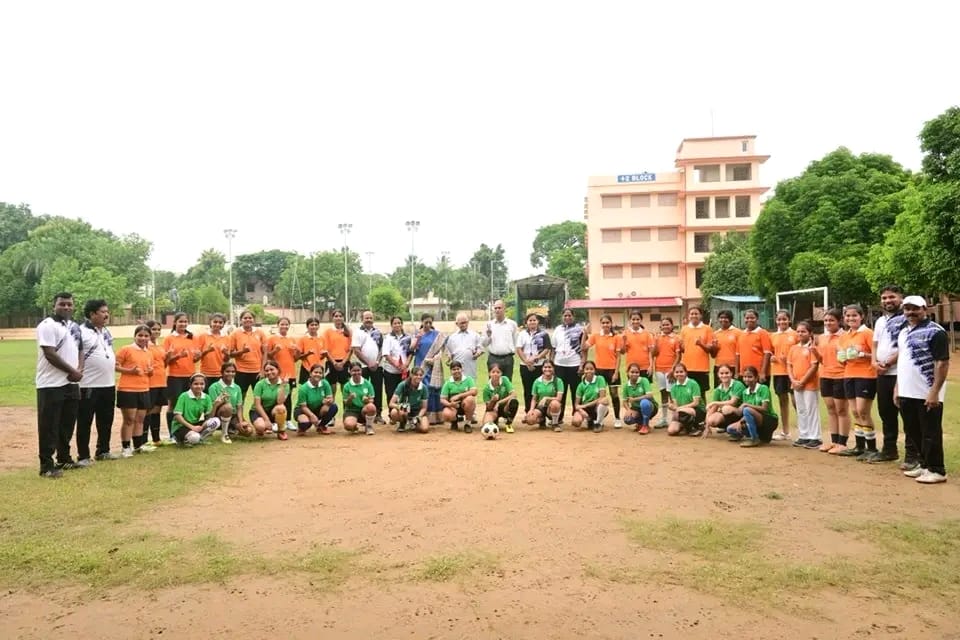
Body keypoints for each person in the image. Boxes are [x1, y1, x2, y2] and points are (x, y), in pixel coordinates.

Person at [896, 296, 949, 484]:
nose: (910, 312)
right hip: (907, 391)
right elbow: (903, 362)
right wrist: (897, 388)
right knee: (913, 430)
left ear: (925, 309)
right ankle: (924, 465)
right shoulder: (903, 332)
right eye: (907, 309)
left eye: (915, 309)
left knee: (930, 431)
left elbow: (942, 363)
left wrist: (935, 391)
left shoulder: (936, 332)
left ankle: (937, 469)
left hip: (927, 391)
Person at [36, 292, 84, 478]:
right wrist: (72, 371)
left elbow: (81, 350)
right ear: (53, 306)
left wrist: (79, 369)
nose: (66, 307)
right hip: (50, 384)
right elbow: (50, 353)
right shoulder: (47, 326)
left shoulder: (74, 326)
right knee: (49, 425)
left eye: (69, 304)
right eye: (62, 304)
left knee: (67, 423)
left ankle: (64, 458)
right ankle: (46, 465)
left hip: (70, 384)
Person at [76, 299, 118, 463]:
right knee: (85, 422)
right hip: (88, 385)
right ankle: (83, 456)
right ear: (92, 314)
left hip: (108, 384)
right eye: (102, 312)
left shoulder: (106, 331)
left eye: (107, 311)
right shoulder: (80, 332)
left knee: (106, 420)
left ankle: (103, 451)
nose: (106, 314)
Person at [871, 285, 908, 464]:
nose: (887, 301)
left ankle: (913, 453)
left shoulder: (906, 319)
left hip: (900, 373)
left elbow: (906, 346)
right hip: (882, 374)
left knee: (906, 414)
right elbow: (875, 345)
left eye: (892, 297)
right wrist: (874, 362)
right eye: (884, 298)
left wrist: (889, 362)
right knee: (886, 413)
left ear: (901, 298)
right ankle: (889, 449)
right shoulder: (880, 321)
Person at [838, 304, 877, 459]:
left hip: (866, 375)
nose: (851, 318)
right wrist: (842, 358)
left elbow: (875, 355)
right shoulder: (844, 336)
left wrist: (862, 354)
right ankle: (859, 446)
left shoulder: (868, 333)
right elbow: (843, 357)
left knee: (863, 411)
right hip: (849, 374)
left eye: (854, 315)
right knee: (854, 411)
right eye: (848, 316)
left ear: (862, 316)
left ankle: (872, 447)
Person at [115, 325, 155, 457]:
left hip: (144, 389)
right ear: (135, 336)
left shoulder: (149, 353)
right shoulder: (126, 349)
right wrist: (130, 372)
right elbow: (115, 366)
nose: (143, 338)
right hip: (127, 389)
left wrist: (150, 372)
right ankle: (126, 447)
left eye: (146, 336)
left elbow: (149, 371)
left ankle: (138, 446)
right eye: (140, 335)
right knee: (129, 419)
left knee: (140, 419)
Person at [163, 312, 201, 443]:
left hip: (190, 375)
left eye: (185, 322)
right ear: (175, 323)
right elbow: (166, 361)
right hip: (174, 376)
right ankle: (172, 434)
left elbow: (194, 359)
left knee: (187, 404)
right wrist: (179, 356)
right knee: (173, 405)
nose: (183, 324)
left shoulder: (192, 338)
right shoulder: (169, 339)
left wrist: (197, 356)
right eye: (180, 322)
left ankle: (185, 432)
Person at [818, 309, 852, 454]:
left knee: (841, 410)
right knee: (831, 409)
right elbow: (822, 359)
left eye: (831, 320)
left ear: (839, 321)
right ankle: (833, 441)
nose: (828, 323)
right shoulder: (822, 337)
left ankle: (842, 443)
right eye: (826, 320)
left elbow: (848, 357)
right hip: (825, 375)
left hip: (841, 375)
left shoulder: (845, 336)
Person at [787, 320, 822, 449]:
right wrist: (793, 380)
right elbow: (789, 365)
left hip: (809, 384)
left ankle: (815, 437)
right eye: (799, 331)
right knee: (801, 410)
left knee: (811, 410)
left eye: (803, 331)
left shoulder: (812, 348)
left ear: (810, 333)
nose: (800, 334)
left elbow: (814, 366)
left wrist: (803, 381)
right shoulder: (793, 348)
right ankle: (804, 435)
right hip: (796, 384)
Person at [586, 315, 622, 427]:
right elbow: (584, 347)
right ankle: (597, 418)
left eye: (607, 322)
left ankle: (617, 418)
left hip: (612, 369)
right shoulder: (595, 336)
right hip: (599, 370)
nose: (605, 325)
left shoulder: (616, 337)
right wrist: (584, 333)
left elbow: (619, 357)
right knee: (599, 394)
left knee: (614, 394)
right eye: (603, 323)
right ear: (601, 324)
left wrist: (616, 372)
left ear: (611, 324)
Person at [410, 314, 446, 424]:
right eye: (426, 322)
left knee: (435, 388)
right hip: (421, 365)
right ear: (421, 322)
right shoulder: (417, 334)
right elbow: (412, 348)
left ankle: (438, 416)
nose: (428, 324)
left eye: (430, 322)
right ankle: (427, 416)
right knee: (424, 389)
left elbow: (441, 349)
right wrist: (418, 338)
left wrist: (436, 357)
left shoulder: (437, 335)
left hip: (434, 366)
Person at [551, 308, 586, 423]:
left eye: (569, 315)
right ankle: (559, 417)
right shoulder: (558, 329)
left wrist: (582, 365)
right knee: (561, 391)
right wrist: (551, 364)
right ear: (562, 317)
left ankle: (576, 414)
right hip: (559, 365)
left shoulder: (580, 329)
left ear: (573, 316)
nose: (567, 317)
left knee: (576, 391)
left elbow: (584, 349)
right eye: (565, 315)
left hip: (575, 364)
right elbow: (553, 348)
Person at [516, 313, 552, 420]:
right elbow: (519, 349)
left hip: (539, 366)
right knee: (528, 390)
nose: (532, 322)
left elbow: (547, 349)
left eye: (534, 320)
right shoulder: (522, 334)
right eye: (530, 320)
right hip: (525, 366)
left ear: (538, 322)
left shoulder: (544, 334)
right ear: (526, 322)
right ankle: (528, 413)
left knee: (539, 391)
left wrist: (536, 358)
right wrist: (527, 362)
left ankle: (540, 415)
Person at [732, 366, 779, 448]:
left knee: (746, 409)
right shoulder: (745, 392)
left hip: (769, 419)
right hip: (757, 419)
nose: (747, 379)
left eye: (750, 377)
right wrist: (740, 422)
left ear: (756, 378)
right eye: (745, 377)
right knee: (730, 429)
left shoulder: (763, 388)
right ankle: (760, 435)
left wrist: (746, 405)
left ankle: (754, 439)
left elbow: (764, 408)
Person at [228, 310, 268, 405]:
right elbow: (230, 353)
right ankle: (239, 418)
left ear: (253, 320)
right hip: (241, 371)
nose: (248, 320)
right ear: (241, 320)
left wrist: (262, 370)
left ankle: (259, 417)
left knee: (260, 397)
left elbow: (265, 352)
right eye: (245, 318)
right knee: (240, 396)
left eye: (250, 318)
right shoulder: (235, 333)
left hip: (257, 371)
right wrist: (242, 351)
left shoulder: (260, 333)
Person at [352, 310, 385, 423]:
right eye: (366, 318)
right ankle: (364, 414)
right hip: (363, 367)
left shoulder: (378, 332)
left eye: (370, 318)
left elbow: (382, 349)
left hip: (377, 366)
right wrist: (368, 363)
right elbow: (356, 350)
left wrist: (376, 362)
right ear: (362, 319)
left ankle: (378, 414)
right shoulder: (357, 332)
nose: (369, 320)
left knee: (377, 389)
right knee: (363, 390)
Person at [769, 310, 797, 440]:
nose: (782, 322)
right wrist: (772, 358)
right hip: (778, 372)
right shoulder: (773, 336)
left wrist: (790, 359)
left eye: (784, 319)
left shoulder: (795, 334)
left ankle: (805, 431)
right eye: (779, 319)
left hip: (793, 372)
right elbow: (770, 352)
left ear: (789, 320)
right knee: (782, 401)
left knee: (796, 401)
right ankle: (785, 432)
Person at [208, 361, 253, 442]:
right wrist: (221, 401)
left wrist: (241, 422)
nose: (230, 374)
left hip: (233, 416)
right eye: (227, 371)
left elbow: (239, 407)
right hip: (217, 416)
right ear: (222, 372)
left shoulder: (237, 387)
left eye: (233, 372)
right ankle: (224, 434)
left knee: (248, 431)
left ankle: (232, 428)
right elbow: (212, 408)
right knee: (228, 407)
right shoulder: (213, 387)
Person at [267, 317, 298, 431]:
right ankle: (275, 421)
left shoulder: (292, 340)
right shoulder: (272, 339)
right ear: (278, 325)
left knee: (288, 396)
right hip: (276, 373)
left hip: (290, 372)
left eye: (286, 324)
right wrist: (275, 350)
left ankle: (288, 420)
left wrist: (297, 351)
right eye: (282, 324)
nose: (284, 326)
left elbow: (295, 358)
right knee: (276, 397)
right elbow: (268, 356)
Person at [171, 373, 221, 445]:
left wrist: (215, 405)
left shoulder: (206, 397)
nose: (199, 386)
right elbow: (177, 415)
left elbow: (209, 417)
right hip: (181, 426)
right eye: (196, 384)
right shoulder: (184, 396)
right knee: (194, 438)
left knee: (216, 421)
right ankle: (181, 439)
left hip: (195, 424)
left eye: (202, 384)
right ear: (190, 385)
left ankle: (200, 438)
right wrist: (192, 427)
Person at [677, 306, 714, 398]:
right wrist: (681, 347)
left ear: (700, 315)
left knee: (701, 393)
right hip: (687, 368)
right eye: (691, 314)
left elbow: (710, 349)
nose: (694, 315)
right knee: (688, 393)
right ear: (688, 316)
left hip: (702, 368)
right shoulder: (684, 329)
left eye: (696, 313)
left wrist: (701, 344)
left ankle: (702, 412)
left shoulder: (707, 329)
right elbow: (682, 349)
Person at [294, 363, 338, 435]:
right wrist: (312, 416)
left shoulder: (325, 383)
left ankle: (321, 426)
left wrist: (328, 401)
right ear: (310, 374)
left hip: (317, 408)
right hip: (303, 410)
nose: (318, 374)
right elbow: (303, 406)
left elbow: (331, 398)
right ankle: (302, 427)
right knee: (305, 423)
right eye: (315, 372)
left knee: (333, 407)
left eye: (320, 373)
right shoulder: (303, 388)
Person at [250, 360, 289, 440]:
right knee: (261, 427)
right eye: (267, 370)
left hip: (273, 410)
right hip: (258, 411)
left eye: (272, 369)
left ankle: (281, 431)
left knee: (281, 408)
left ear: (278, 370)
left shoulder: (285, 384)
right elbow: (257, 405)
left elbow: (280, 402)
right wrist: (266, 420)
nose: (269, 372)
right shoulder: (260, 384)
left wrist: (282, 386)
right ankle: (261, 429)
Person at [703, 364, 745, 436]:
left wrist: (714, 402)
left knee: (726, 408)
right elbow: (713, 408)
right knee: (712, 420)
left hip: (740, 413)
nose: (724, 375)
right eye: (721, 373)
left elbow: (733, 402)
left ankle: (739, 427)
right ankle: (727, 428)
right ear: (718, 375)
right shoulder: (718, 390)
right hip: (726, 414)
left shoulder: (738, 384)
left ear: (731, 373)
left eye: (727, 373)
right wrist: (707, 426)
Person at [144, 320, 168, 446]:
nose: (157, 331)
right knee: (147, 411)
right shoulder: (145, 346)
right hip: (150, 383)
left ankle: (156, 438)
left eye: (158, 329)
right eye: (154, 329)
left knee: (157, 410)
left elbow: (163, 364)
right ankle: (143, 440)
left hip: (161, 381)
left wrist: (168, 356)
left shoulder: (159, 346)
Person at [381, 316, 411, 417]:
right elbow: (386, 354)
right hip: (391, 371)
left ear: (402, 324)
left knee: (405, 393)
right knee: (391, 393)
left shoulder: (407, 338)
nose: (397, 325)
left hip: (404, 371)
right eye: (395, 323)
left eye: (399, 323)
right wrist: (396, 365)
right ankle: (392, 414)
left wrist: (406, 365)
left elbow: (411, 352)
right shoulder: (388, 338)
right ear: (391, 325)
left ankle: (405, 413)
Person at [652, 317, 680, 428]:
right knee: (663, 393)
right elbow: (654, 353)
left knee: (671, 394)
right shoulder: (658, 338)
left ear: (672, 326)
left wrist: (673, 370)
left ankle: (675, 418)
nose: (665, 327)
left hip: (670, 370)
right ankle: (664, 419)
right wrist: (655, 342)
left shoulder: (676, 338)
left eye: (667, 324)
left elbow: (678, 356)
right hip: (659, 369)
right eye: (663, 325)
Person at [666, 363, 705, 437]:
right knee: (672, 431)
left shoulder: (693, 383)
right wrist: (671, 406)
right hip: (682, 412)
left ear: (686, 373)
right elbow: (675, 405)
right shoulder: (673, 387)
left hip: (697, 410)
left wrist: (680, 408)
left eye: (681, 372)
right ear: (674, 373)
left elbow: (696, 403)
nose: (679, 374)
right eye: (677, 372)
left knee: (682, 411)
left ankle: (694, 428)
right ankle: (686, 426)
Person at [570, 360, 609, 433]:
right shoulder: (581, 385)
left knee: (604, 400)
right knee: (576, 422)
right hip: (586, 409)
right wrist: (582, 411)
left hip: (596, 406)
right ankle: (590, 420)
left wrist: (585, 405)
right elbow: (576, 404)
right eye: (587, 369)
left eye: (591, 369)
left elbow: (601, 397)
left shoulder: (600, 379)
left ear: (595, 370)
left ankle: (598, 423)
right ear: (584, 370)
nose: (589, 371)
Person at [525, 360, 564, 431]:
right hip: (541, 407)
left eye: (550, 367)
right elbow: (534, 398)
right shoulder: (537, 381)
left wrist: (546, 398)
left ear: (553, 368)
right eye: (545, 367)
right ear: (542, 368)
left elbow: (559, 398)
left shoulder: (558, 381)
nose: (547, 369)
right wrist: (531, 410)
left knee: (555, 403)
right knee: (529, 420)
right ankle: (541, 419)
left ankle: (555, 423)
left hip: (552, 407)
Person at [446, 312, 484, 384]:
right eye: (461, 323)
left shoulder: (475, 335)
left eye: (465, 322)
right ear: (457, 324)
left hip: (470, 366)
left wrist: (477, 353)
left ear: (468, 322)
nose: (464, 325)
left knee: (470, 389)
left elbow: (480, 348)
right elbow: (449, 351)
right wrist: (449, 357)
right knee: (457, 388)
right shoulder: (452, 337)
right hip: (457, 368)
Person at [323, 309, 353, 401]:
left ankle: (347, 412)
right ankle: (331, 413)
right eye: (336, 316)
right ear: (332, 318)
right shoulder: (328, 331)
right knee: (332, 389)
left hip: (345, 363)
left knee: (345, 389)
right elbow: (326, 350)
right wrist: (334, 363)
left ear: (343, 318)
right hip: (331, 362)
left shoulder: (348, 332)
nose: (338, 318)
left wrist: (343, 362)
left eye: (340, 316)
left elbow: (350, 349)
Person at [389, 366, 430, 433]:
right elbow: (391, 403)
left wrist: (419, 416)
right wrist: (401, 407)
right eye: (416, 375)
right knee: (394, 413)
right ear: (411, 375)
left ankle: (414, 423)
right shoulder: (402, 385)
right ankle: (403, 423)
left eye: (420, 375)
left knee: (424, 429)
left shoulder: (424, 388)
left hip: (417, 411)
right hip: (405, 410)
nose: (418, 377)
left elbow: (424, 408)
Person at [440, 361, 478, 432]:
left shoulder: (468, 379)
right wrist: (450, 404)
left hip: (465, 405)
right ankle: (454, 421)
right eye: (454, 369)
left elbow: (474, 391)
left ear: (461, 369)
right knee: (446, 414)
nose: (456, 371)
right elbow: (442, 399)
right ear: (450, 371)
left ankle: (468, 424)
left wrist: (459, 396)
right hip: (453, 407)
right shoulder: (448, 383)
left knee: (470, 399)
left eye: (458, 369)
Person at [737, 309, 772, 384]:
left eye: (752, 318)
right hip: (744, 374)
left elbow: (767, 353)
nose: (749, 320)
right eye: (747, 318)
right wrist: (737, 372)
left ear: (757, 319)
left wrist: (763, 372)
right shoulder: (741, 334)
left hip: (758, 373)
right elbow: (737, 354)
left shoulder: (763, 333)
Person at [341, 361, 378, 435]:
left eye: (358, 370)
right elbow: (345, 403)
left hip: (364, 410)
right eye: (354, 371)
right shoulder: (347, 386)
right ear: (350, 372)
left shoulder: (367, 383)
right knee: (349, 425)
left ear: (361, 371)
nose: (356, 373)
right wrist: (350, 398)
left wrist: (367, 401)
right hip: (351, 410)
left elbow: (372, 400)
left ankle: (369, 426)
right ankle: (354, 426)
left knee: (371, 407)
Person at [483, 300, 518, 374]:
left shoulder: (512, 324)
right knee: (493, 383)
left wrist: (511, 352)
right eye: (495, 308)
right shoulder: (489, 325)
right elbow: (484, 344)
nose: (497, 310)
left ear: (504, 309)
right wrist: (488, 336)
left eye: (499, 308)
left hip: (507, 359)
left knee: (507, 383)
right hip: (493, 358)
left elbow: (515, 341)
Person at [621, 363, 658, 434]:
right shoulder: (626, 386)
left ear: (639, 373)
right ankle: (640, 424)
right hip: (636, 408)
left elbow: (649, 395)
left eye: (637, 372)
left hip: (650, 406)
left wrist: (635, 399)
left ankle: (645, 425)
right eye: (632, 372)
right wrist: (628, 410)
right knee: (627, 419)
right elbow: (624, 401)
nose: (634, 374)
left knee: (644, 402)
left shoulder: (644, 380)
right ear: (628, 373)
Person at [482, 362, 519, 431]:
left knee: (514, 401)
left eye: (498, 372)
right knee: (486, 424)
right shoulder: (486, 389)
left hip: (505, 407)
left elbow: (514, 394)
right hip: (493, 410)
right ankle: (495, 421)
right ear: (489, 373)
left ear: (501, 373)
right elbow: (488, 407)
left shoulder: (505, 380)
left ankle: (509, 423)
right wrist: (493, 401)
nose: (495, 374)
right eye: (493, 372)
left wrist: (498, 402)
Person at [198, 313, 230, 391]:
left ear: (223, 324)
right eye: (215, 322)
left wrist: (226, 353)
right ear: (210, 322)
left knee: (219, 397)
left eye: (220, 322)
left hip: (220, 373)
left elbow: (226, 360)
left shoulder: (226, 338)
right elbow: (197, 358)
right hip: (205, 373)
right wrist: (207, 350)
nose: (217, 324)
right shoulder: (203, 336)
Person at [622, 311, 655, 384]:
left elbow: (650, 352)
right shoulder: (626, 333)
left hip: (645, 367)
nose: (635, 321)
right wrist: (624, 341)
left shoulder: (647, 334)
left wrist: (651, 366)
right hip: (631, 367)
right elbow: (623, 351)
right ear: (630, 320)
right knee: (633, 389)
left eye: (637, 319)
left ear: (641, 320)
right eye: (633, 319)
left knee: (646, 390)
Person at [712, 310, 741, 384]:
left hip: (733, 366)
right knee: (720, 390)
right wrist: (714, 348)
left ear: (730, 319)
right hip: (719, 366)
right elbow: (713, 355)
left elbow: (741, 352)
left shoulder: (738, 332)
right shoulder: (715, 334)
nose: (723, 320)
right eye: (721, 318)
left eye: (726, 318)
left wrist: (737, 370)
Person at [296, 317, 326, 385]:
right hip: (306, 368)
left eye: (316, 325)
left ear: (318, 326)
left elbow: (322, 356)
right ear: (307, 326)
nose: (314, 327)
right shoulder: (303, 339)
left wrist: (324, 355)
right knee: (305, 388)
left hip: (318, 369)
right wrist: (308, 354)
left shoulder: (322, 339)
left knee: (319, 389)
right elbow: (299, 357)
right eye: (312, 325)